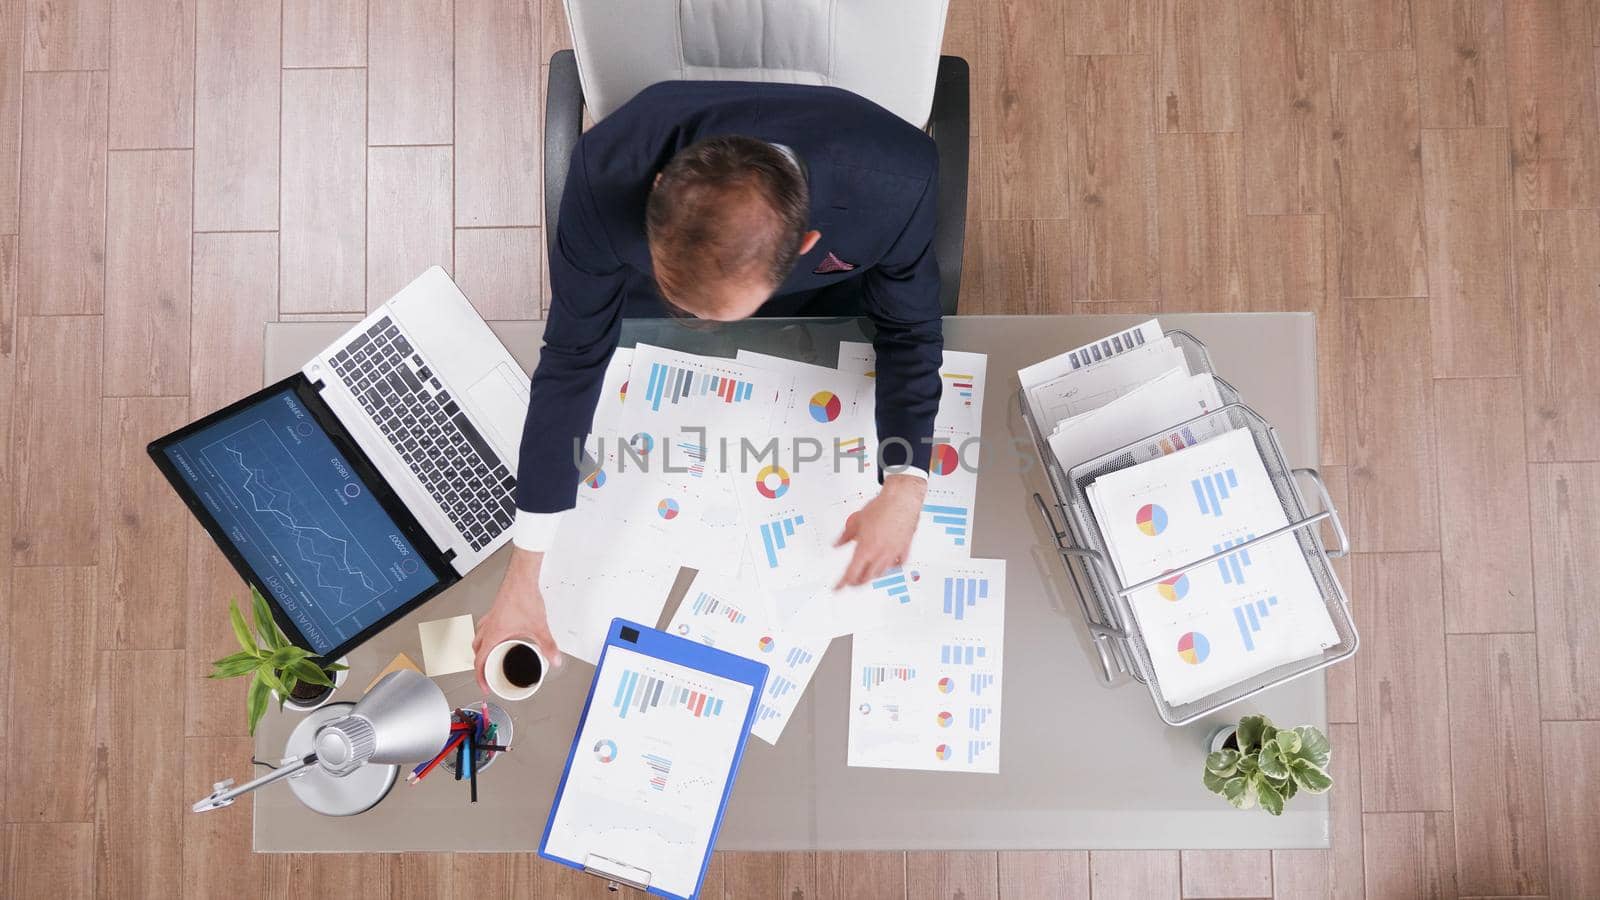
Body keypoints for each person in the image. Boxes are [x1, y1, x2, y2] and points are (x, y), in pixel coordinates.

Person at [473, 80, 943, 690]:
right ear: (661, 190)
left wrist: (905, 484)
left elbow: (910, 331)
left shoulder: (898, 181)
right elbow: (571, 356)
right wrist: (523, 574)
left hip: (820, 312)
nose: (701, 326)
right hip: (643, 309)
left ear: (805, 245)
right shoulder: (602, 173)